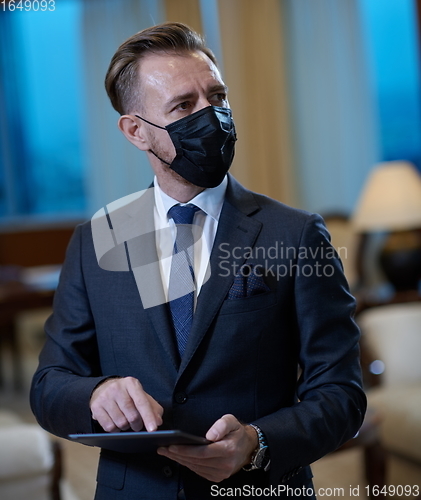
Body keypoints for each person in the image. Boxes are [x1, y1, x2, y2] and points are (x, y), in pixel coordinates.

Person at [30, 22, 366, 500]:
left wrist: (258, 443)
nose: (212, 116)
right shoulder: (97, 240)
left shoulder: (296, 233)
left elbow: (342, 395)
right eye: (184, 106)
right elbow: (48, 385)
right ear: (136, 132)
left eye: (218, 97)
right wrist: (95, 394)